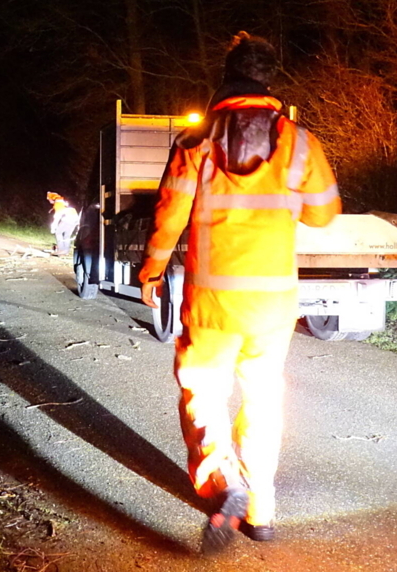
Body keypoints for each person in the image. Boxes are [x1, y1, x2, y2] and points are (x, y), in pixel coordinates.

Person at [139, 32, 341, 553]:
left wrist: (152, 271)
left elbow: (169, 217)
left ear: (226, 78)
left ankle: (222, 483)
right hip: (272, 304)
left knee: (203, 392)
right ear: (269, 80)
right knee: (263, 396)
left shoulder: (196, 143)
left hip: (211, 303)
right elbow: (324, 214)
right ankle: (262, 510)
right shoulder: (300, 141)